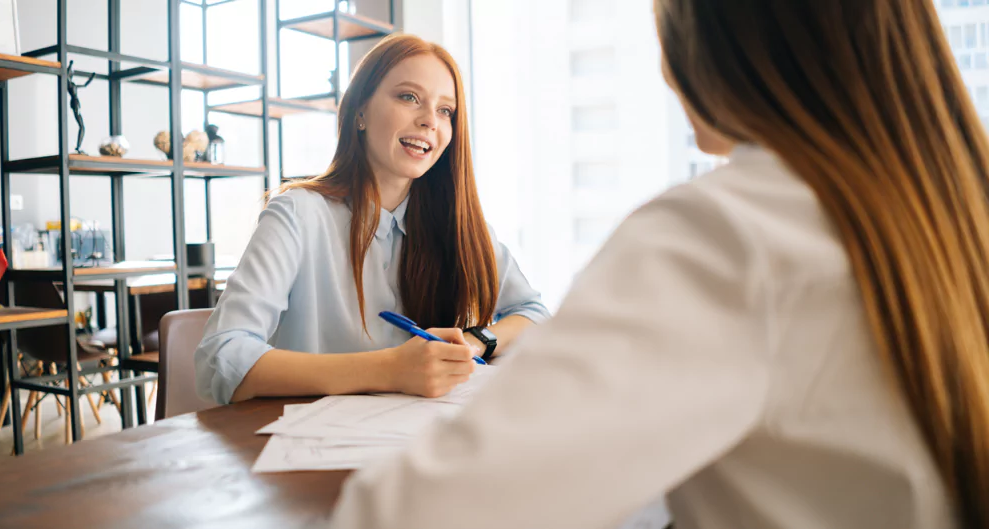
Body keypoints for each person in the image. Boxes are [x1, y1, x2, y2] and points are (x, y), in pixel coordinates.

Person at [329, 1, 988, 527]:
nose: (665, 71)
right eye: (409, 100)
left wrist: (480, 339)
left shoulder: (728, 234)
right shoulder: (954, 212)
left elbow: (415, 513)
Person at [194, 34, 550, 405]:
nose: (430, 120)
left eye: (446, 110)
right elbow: (221, 357)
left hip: (420, 441)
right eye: (408, 97)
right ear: (359, 112)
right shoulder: (297, 214)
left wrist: (474, 343)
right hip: (314, 440)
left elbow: (534, 313)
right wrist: (391, 369)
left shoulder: (456, 224)